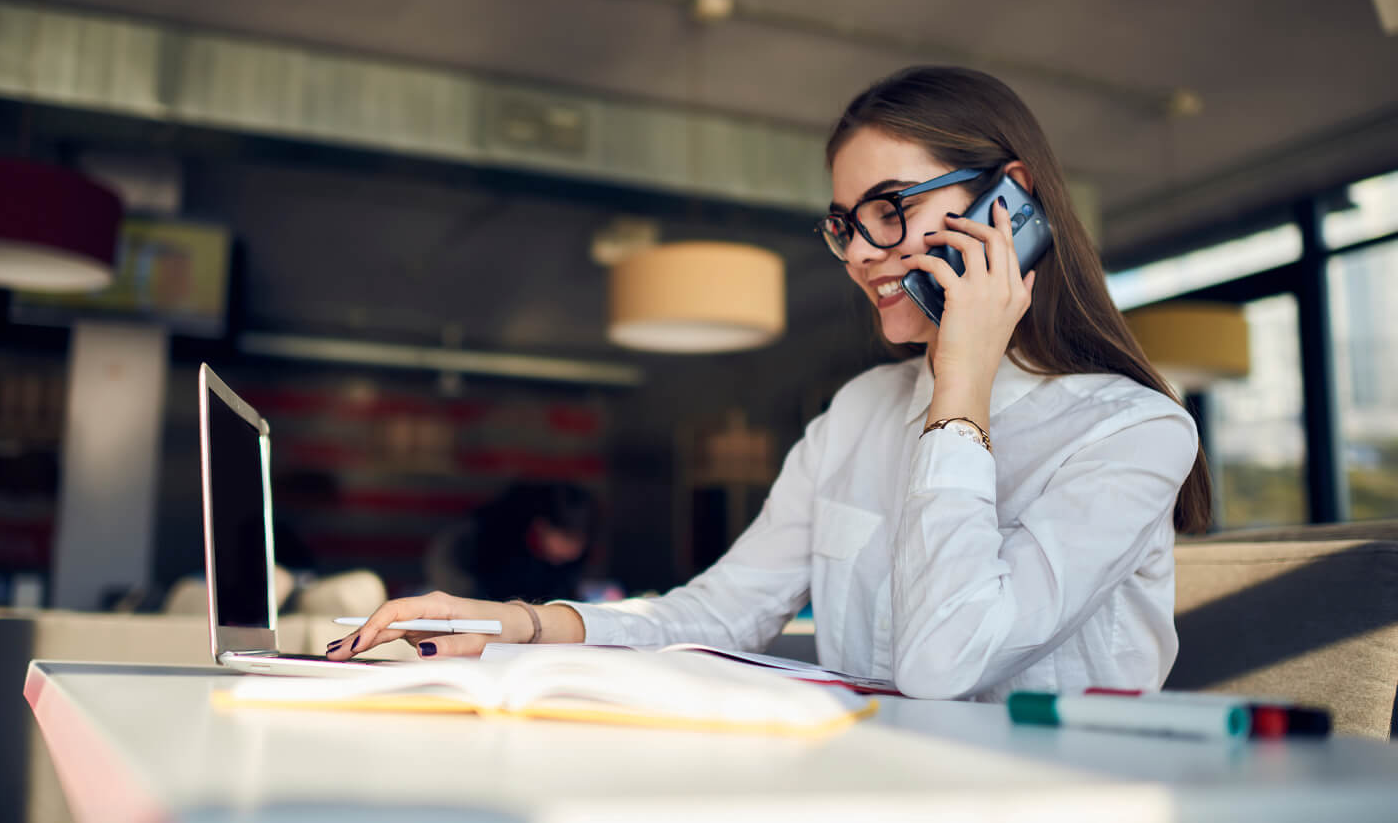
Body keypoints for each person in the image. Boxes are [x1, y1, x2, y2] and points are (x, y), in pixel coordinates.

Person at [327, 66, 1211, 701]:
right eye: (846, 225)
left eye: (891, 209)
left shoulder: (1134, 433)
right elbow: (722, 612)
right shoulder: (859, 411)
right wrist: (510, 622)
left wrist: (963, 383)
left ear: (1010, 201)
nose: (861, 254)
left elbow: (946, 666)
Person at [423, 481, 597, 603]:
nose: (574, 550)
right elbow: (462, 591)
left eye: (581, 541)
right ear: (541, 526)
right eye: (567, 538)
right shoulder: (490, 536)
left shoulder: (567, 560)